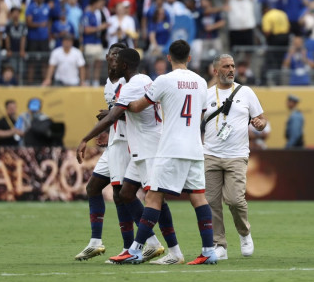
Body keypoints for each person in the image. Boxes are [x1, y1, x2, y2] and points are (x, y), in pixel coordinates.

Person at [106, 40, 219, 265]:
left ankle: (136, 249)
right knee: (198, 197)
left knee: (153, 197)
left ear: (168, 58)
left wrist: (118, 106)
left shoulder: (164, 80)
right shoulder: (200, 82)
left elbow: (138, 107)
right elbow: (201, 115)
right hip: (195, 147)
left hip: (170, 148)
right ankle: (208, 251)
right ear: (189, 58)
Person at [74, 45, 169, 263]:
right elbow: (115, 114)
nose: (114, 59)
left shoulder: (131, 81)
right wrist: (108, 131)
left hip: (130, 142)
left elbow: (121, 113)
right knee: (94, 187)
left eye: (119, 56)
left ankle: (138, 245)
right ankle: (96, 241)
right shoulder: (111, 83)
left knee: (124, 194)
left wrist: (102, 127)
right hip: (116, 140)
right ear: (108, 57)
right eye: (112, 55)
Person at [203, 53, 266, 260]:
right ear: (215, 71)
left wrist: (259, 124)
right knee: (212, 202)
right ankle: (219, 243)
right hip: (210, 154)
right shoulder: (206, 94)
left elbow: (261, 119)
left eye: (232, 66)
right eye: (226, 67)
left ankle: (244, 232)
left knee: (235, 199)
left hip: (237, 155)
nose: (231, 70)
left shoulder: (246, 92)